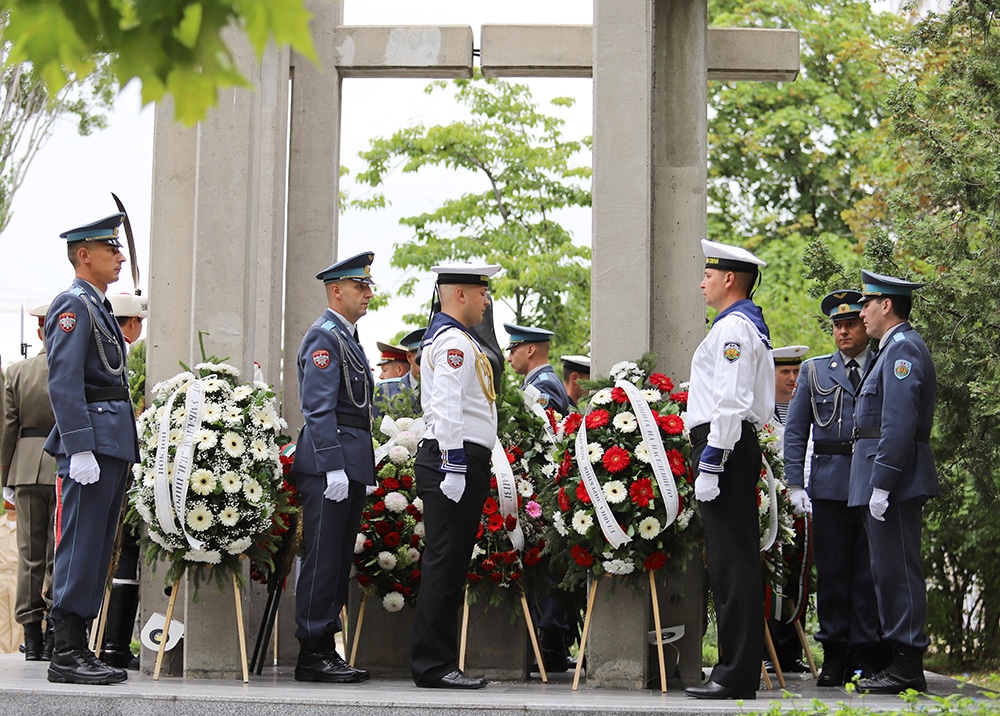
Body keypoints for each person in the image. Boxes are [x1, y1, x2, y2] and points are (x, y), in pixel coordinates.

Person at [43, 212, 139, 685]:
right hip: (92, 444)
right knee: (81, 546)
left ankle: (79, 644)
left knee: (99, 548)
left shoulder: (97, 305)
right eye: (110, 249)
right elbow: (63, 382)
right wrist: (79, 446)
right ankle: (65, 649)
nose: (120, 256)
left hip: (111, 440)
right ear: (85, 255)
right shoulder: (73, 305)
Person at [684, 239, 773, 701]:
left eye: (708, 275)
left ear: (730, 280)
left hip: (726, 448)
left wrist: (712, 463)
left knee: (732, 564)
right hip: (729, 447)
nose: (702, 282)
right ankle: (735, 669)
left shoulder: (734, 329)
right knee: (730, 561)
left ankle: (736, 673)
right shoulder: (734, 326)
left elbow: (732, 401)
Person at [411, 262, 500, 690]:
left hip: (460, 459)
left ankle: (438, 662)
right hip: (454, 460)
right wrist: (454, 464)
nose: (487, 300)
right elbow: (447, 406)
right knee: (445, 565)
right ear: (460, 294)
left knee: (448, 563)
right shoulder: (453, 343)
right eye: (481, 292)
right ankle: (433, 666)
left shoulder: (459, 340)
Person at [784, 290, 881, 687]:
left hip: (873, 482)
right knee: (834, 573)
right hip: (828, 484)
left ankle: (864, 653)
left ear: (865, 326)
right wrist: (795, 483)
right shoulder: (814, 371)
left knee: (867, 573)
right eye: (837, 326)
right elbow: (795, 432)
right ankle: (835, 654)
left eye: (851, 323)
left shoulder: (883, 364)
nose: (843, 331)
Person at [850, 270, 938, 694]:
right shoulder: (889, 351)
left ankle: (907, 665)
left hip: (895, 481)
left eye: (867, 303)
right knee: (886, 571)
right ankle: (898, 658)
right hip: (881, 479)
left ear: (886, 305)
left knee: (898, 571)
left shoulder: (903, 350)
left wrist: (882, 483)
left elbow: (898, 424)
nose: (861, 311)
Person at [292, 251, 377, 684]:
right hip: (332, 462)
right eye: (359, 286)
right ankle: (312, 649)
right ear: (335, 290)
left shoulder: (347, 336)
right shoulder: (324, 337)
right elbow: (318, 408)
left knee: (338, 556)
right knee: (323, 557)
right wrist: (333, 467)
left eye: (368, 286)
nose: (367, 292)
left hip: (348, 459)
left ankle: (325, 645)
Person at [0, 304, 57, 661]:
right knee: (58, 554)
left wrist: (5, 476)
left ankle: (32, 636)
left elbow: (7, 429)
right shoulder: (76, 370)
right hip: (64, 464)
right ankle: (56, 631)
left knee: (29, 557)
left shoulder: (17, 372)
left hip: (25, 470)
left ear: (39, 332)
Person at [97, 292, 148, 669]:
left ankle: (112, 642)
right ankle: (110, 643)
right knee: (120, 551)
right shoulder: (126, 355)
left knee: (119, 553)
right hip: (122, 461)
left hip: (125, 458)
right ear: (132, 323)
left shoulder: (122, 353)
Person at [763, 345, 812, 677]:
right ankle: (770, 651)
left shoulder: (808, 406)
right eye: (785, 372)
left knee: (800, 575)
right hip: (771, 505)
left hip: (803, 502)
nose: (793, 379)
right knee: (771, 577)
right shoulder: (762, 411)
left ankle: (791, 649)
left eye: (796, 372)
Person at [503, 323, 571, 415]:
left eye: (512, 352)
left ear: (530, 351)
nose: (509, 359)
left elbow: (544, 426)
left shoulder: (544, 385)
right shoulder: (541, 381)